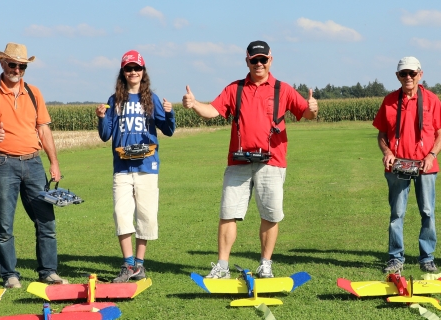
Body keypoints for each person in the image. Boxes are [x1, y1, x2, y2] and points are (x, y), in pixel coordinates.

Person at [182, 40, 317, 279]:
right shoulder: (235, 89)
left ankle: (265, 264)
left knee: (270, 214)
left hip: (272, 162)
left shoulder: (283, 89)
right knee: (228, 213)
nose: (259, 64)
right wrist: (194, 105)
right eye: (254, 60)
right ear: (247, 61)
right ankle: (222, 266)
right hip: (239, 162)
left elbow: (306, 113)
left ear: (270, 60)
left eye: (263, 59)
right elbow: (212, 111)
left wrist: (313, 108)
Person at [0, 42, 67, 289]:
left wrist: (54, 162)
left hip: (33, 163)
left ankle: (48, 272)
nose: (17, 70)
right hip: (2, 163)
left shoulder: (34, 93)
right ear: (2, 63)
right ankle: (9, 275)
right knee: (5, 224)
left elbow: (43, 129)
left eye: (22, 66)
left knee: (46, 221)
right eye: (13, 64)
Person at [96, 50, 175, 283]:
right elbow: (105, 135)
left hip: (147, 165)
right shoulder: (114, 100)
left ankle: (139, 265)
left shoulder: (152, 99)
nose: (133, 72)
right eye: (129, 68)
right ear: (123, 72)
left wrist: (169, 114)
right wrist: (101, 118)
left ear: (143, 71)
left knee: (146, 215)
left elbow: (168, 130)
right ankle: (127, 264)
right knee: (121, 214)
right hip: (122, 167)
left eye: (137, 68)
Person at [373, 56, 441, 275]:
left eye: (412, 73)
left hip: (426, 166)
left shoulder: (432, 100)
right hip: (398, 166)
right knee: (397, 213)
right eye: (403, 73)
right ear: (397, 76)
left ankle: (427, 258)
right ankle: (395, 258)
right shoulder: (389, 101)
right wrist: (387, 152)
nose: (408, 77)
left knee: (427, 212)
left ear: (420, 74)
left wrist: (431, 156)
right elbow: (381, 134)